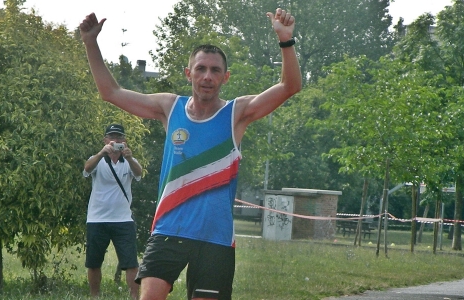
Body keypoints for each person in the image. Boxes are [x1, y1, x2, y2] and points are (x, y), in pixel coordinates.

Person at [79, 7, 301, 300]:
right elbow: (111, 92)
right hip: (169, 228)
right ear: (189, 74)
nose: (207, 76)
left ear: (225, 77)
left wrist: (285, 40)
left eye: (215, 70)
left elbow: (290, 86)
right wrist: (90, 42)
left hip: (215, 237)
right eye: (201, 69)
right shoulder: (169, 107)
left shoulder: (237, 113)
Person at [83, 124, 142, 300]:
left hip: (123, 219)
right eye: (112, 137)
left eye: (119, 137)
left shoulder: (130, 161)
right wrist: (102, 153)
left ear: (124, 141)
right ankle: (94, 296)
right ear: (105, 140)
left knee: (131, 262)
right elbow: (86, 169)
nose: (115, 141)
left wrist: (130, 158)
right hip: (97, 219)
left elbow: (139, 175)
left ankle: (134, 296)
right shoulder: (97, 159)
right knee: (93, 262)